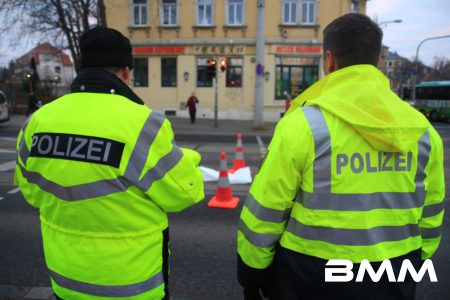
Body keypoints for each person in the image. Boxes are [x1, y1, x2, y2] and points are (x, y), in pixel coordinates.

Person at [237, 13, 444, 300]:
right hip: (394, 273)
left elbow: (267, 211)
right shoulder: (424, 132)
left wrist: (252, 272)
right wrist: (416, 261)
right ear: (379, 61)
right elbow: (431, 212)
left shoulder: (303, 125)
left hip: (309, 276)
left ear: (329, 59)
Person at [15, 26, 204, 300]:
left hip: (66, 283)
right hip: (133, 288)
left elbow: (30, 191)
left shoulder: (39, 120)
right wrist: (189, 158)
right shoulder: (143, 124)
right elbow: (184, 193)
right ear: (126, 72)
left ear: (82, 68)